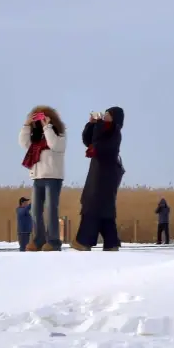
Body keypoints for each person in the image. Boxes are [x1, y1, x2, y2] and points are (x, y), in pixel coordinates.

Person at [73, 107, 125, 252]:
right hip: (98, 173)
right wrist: (91, 125)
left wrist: (99, 125)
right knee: (103, 209)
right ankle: (111, 242)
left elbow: (101, 146)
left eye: (108, 115)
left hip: (106, 175)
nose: (105, 116)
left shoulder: (114, 131)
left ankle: (83, 241)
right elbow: (88, 140)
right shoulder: (103, 129)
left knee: (93, 206)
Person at [19, 105, 67, 252]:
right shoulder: (36, 139)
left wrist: (48, 127)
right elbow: (23, 143)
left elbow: (54, 145)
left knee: (51, 209)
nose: (39, 121)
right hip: (37, 177)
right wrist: (26, 125)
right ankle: (38, 240)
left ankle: (53, 241)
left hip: (53, 177)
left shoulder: (59, 134)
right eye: (37, 118)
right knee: (35, 210)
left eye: (41, 117)